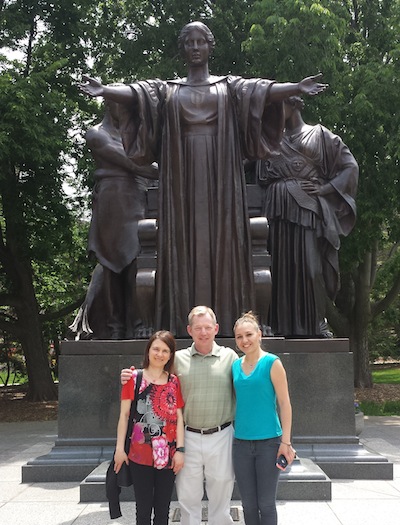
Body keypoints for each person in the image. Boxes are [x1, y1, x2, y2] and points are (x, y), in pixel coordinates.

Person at [79, 22, 327, 337]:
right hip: (181, 181)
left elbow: (261, 91)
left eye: (201, 42)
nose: (195, 48)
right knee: (181, 241)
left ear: (210, 47)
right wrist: (104, 90)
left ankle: (228, 318)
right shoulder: (168, 90)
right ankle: (180, 320)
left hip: (221, 181)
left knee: (225, 241)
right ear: (183, 49)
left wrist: (294, 88)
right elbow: (137, 93)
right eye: (189, 43)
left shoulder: (229, 88)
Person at [121, 306, 238, 525]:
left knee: (221, 498)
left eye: (208, 327)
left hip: (222, 435)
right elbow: (154, 376)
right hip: (187, 439)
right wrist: (129, 376)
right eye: (198, 327)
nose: (203, 332)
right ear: (189, 331)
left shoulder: (230, 357)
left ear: (216, 328)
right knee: (187, 499)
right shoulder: (179, 360)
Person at [258, 95, 358, 338]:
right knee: (278, 268)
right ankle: (277, 323)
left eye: (278, 106)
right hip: (276, 208)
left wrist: (326, 189)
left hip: (307, 209)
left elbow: (350, 167)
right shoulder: (268, 141)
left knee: (311, 267)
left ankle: (316, 322)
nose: (274, 113)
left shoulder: (320, 134)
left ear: (294, 104)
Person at [69, 98, 158, 340]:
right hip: (114, 199)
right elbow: (134, 163)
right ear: (111, 106)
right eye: (124, 106)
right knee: (112, 260)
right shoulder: (97, 134)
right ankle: (113, 324)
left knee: (140, 258)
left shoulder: (137, 136)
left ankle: (139, 322)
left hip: (141, 198)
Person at [115, 330, 185, 525]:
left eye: (165, 351)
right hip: (139, 455)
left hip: (166, 456)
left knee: (163, 510)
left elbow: (178, 418)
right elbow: (124, 416)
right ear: (148, 350)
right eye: (156, 349)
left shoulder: (174, 381)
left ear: (170, 355)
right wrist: (119, 449)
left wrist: (181, 451)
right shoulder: (133, 379)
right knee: (143, 510)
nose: (160, 354)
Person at [232, 311, 295, 525]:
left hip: (270, 442)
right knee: (247, 505)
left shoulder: (272, 363)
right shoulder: (234, 366)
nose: (245, 340)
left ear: (259, 335)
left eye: (249, 334)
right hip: (241, 443)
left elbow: (285, 404)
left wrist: (286, 442)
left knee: (266, 504)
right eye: (239, 336)